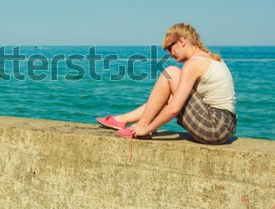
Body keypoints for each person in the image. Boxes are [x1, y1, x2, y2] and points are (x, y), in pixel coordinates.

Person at [97, 23, 237, 144]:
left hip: (214, 127)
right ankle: (122, 119)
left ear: (182, 41)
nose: (169, 53)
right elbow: (167, 101)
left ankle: (142, 126)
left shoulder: (193, 64)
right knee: (170, 94)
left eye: (170, 48)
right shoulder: (210, 57)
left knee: (170, 72)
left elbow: (174, 108)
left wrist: (147, 128)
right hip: (226, 126)